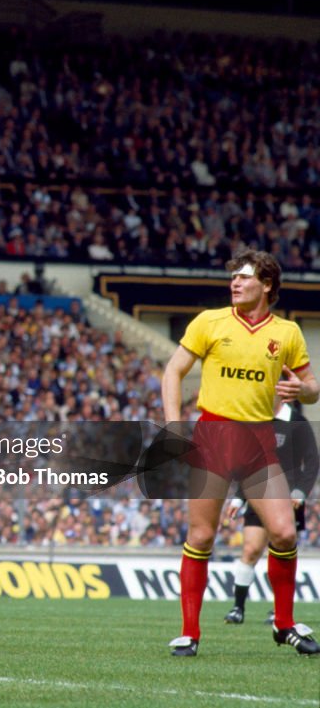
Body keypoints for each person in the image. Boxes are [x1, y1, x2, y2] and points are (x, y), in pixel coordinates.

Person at [161, 250, 319, 656]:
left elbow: (313, 388)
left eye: (244, 277)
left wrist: (302, 390)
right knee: (201, 535)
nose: (234, 283)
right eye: (233, 277)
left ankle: (283, 624)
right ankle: (189, 633)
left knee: (284, 531)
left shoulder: (287, 333)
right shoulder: (209, 322)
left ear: (266, 285)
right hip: (213, 435)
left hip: (259, 442)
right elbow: (173, 371)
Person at [224, 400, 319, 625]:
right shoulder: (258, 421)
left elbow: (313, 461)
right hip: (259, 494)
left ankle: (279, 611)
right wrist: (239, 496)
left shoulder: (297, 422)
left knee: (281, 552)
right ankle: (238, 608)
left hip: (289, 500)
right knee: (251, 548)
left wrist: (300, 492)